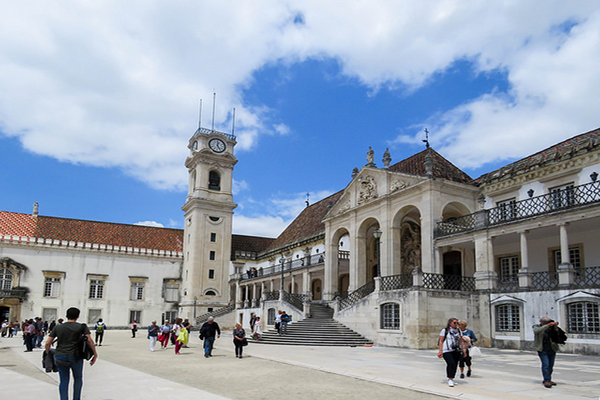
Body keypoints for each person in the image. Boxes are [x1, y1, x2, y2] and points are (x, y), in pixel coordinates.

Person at [44, 307, 98, 400]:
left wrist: (48, 352)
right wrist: (95, 354)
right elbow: (89, 341)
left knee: (64, 380)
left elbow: (48, 343)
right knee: (77, 379)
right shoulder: (82, 327)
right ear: (78, 316)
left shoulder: (58, 327)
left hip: (60, 355)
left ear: (66, 316)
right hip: (75, 356)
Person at [533, 317, 561, 388]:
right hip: (542, 349)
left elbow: (558, 334)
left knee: (551, 365)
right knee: (546, 364)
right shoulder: (537, 326)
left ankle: (548, 379)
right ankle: (546, 380)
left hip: (552, 349)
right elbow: (537, 331)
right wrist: (547, 326)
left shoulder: (550, 328)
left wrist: (555, 327)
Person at [438, 317, 462, 387]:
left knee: (455, 364)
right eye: (454, 323)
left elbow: (461, 340)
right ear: (450, 323)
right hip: (447, 350)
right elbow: (441, 341)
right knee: (451, 363)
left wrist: (464, 350)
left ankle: (452, 378)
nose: (456, 324)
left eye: (457, 323)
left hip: (456, 350)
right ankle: (450, 379)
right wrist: (440, 351)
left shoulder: (458, 331)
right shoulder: (445, 331)